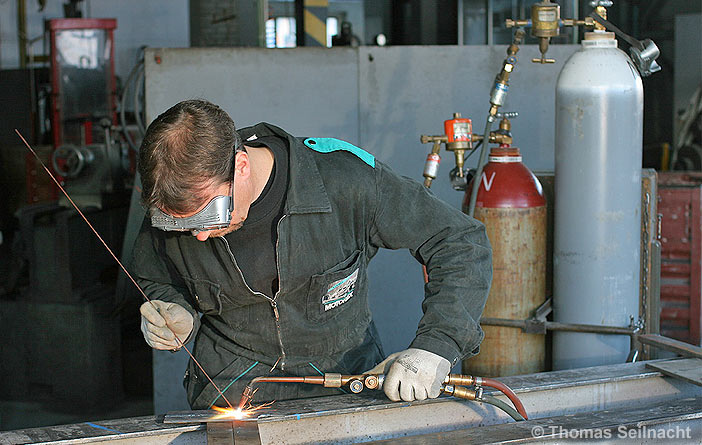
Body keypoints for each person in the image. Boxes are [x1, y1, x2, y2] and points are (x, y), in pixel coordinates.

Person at [133, 99, 491, 409]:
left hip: (346, 380)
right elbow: (155, 273)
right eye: (179, 224)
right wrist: (174, 308)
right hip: (233, 389)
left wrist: (438, 344)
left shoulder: (343, 180)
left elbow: (458, 240)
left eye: (209, 214)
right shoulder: (176, 200)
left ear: (240, 166)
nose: (199, 234)